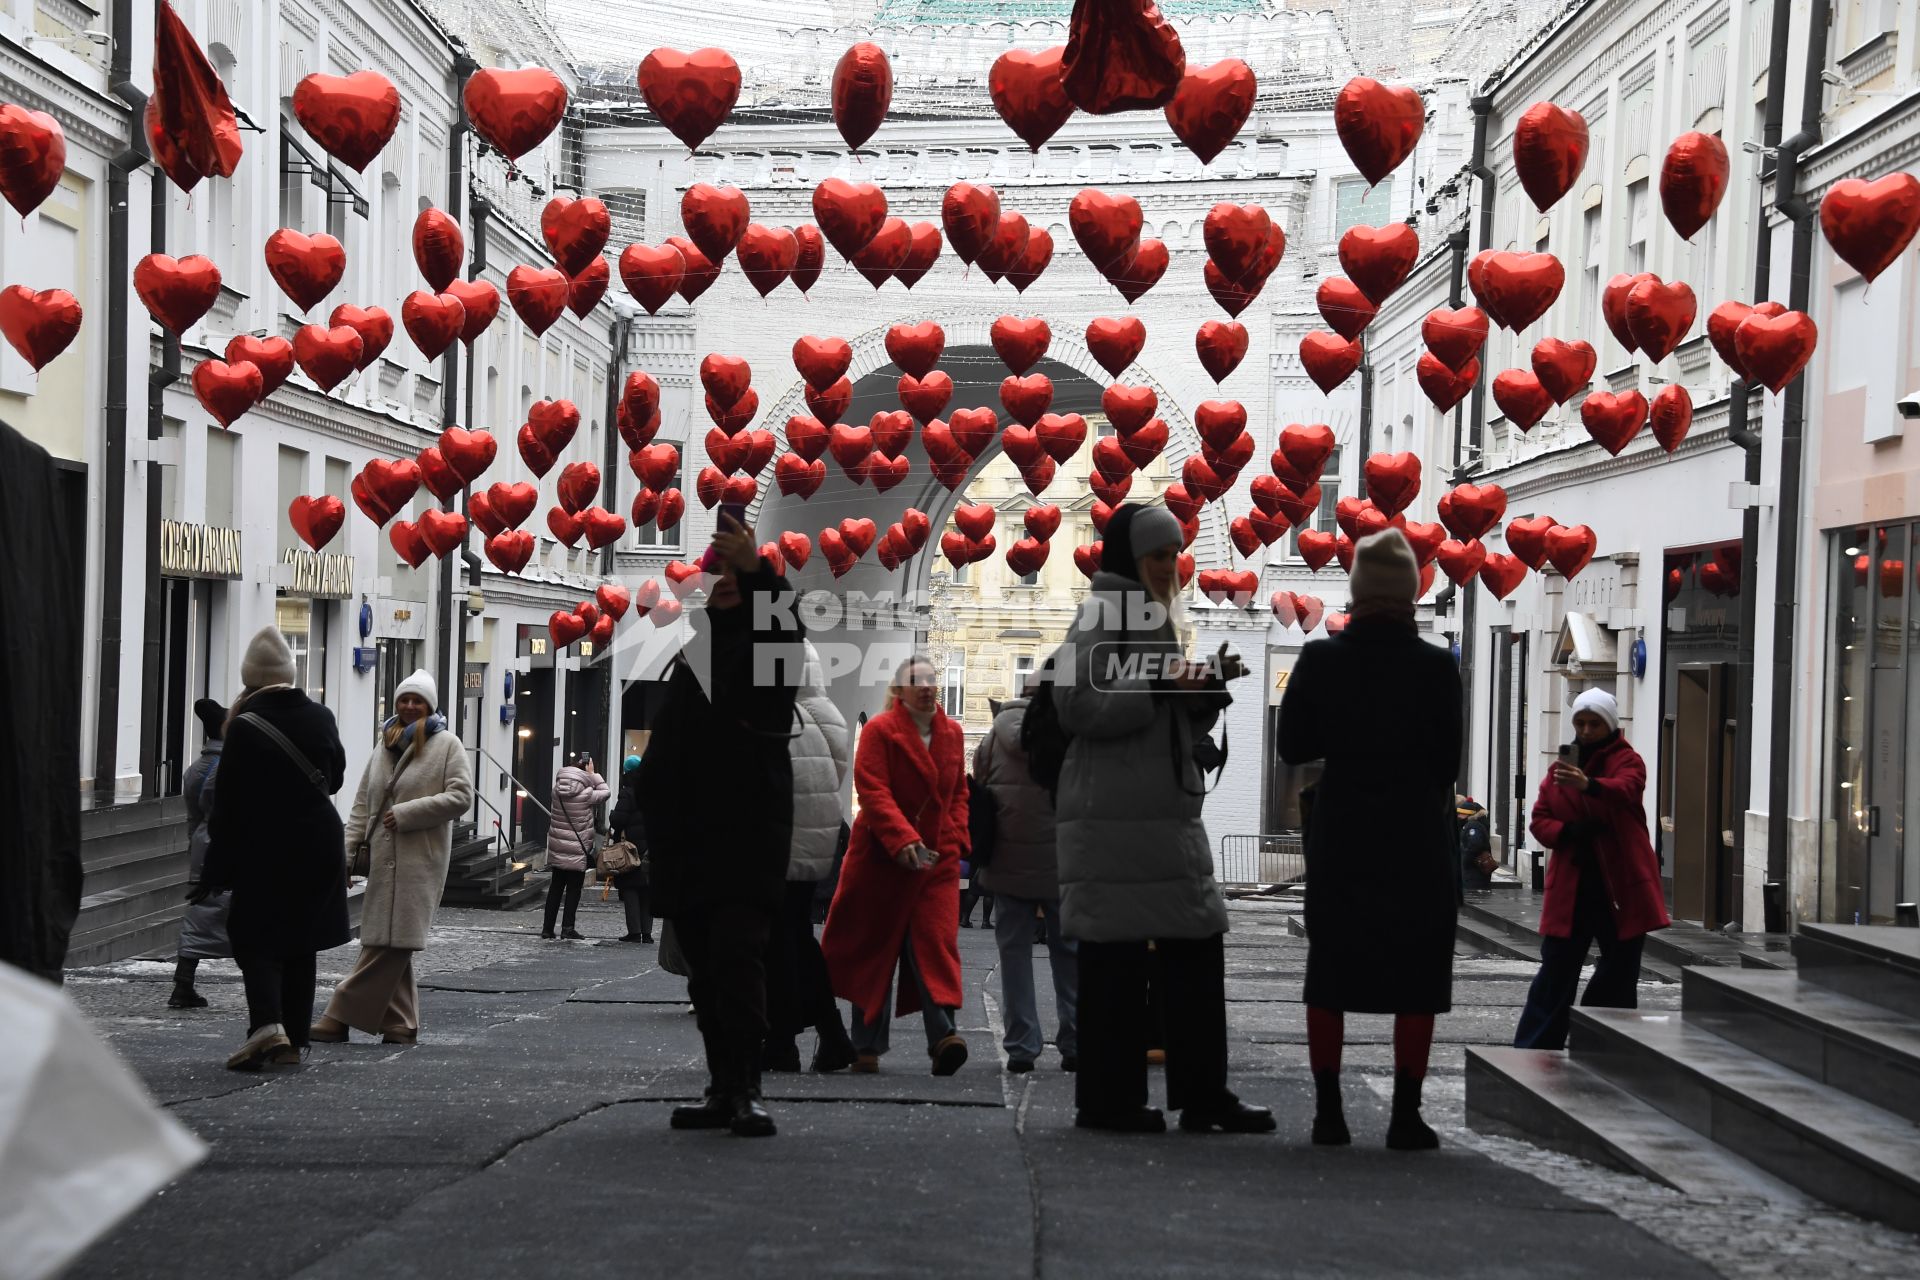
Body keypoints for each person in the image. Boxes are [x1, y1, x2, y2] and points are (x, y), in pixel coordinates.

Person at [1052, 504, 1271, 1134]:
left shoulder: (1145, 614)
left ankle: (1168, 1097)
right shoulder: (1106, 611)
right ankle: (1133, 1100)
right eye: (1156, 556)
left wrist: (1198, 692)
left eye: (1174, 556)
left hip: (1153, 813)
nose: (1168, 568)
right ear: (1130, 558)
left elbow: (1149, 708)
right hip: (1118, 819)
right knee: (1134, 959)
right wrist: (1166, 691)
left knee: (1167, 952)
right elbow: (1076, 702)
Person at [1278, 528, 1464, 1150]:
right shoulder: (1437, 667)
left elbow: (1293, 747)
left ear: (1357, 592)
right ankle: (1405, 1116)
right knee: (1418, 973)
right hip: (1416, 838)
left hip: (1344, 833)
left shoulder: (1322, 659)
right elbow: (1446, 765)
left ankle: (1329, 1112)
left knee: (1330, 969)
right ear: (1411, 594)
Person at [638, 511, 804, 1137]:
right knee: (706, 970)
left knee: (739, 959)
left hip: (747, 830)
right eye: (719, 573)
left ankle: (748, 1088)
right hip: (690, 836)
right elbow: (672, 738)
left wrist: (759, 571)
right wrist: (652, 797)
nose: (724, 581)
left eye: (737, 573)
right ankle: (721, 1085)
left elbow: (781, 633)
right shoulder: (698, 646)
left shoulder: (770, 646)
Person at [198, 627, 349, 1071]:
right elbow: (334, 779)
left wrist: (215, 869)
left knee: (254, 936)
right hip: (320, 841)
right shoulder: (320, 716)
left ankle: (267, 1026)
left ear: (250, 679)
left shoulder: (244, 725)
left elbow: (227, 805)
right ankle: (293, 1038)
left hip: (267, 844)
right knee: (303, 939)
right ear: (288, 673)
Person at [821, 655, 971, 1077]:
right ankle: (865, 1046)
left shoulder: (952, 733)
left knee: (935, 946)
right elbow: (872, 788)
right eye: (915, 680)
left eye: (930, 680)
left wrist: (955, 839)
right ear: (900, 690)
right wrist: (903, 839)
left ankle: (944, 1038)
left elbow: (958, 793)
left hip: (935, 861)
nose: (926, 686)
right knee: (875, 948)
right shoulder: (882, 731)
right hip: (881, 859)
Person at [311, 670, 473, 1046]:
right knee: (384, 941)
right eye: (404, 699)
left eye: (418, 700)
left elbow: (461, 796)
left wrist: (408, 813)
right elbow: (363, 805)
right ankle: (401, 1023)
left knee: (395, 942)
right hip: (382, 857)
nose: (410, 706)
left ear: (430, 705)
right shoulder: (384, 744)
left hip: (420, 860)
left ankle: (338, 1015)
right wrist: (348, 856)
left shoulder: (447, 744)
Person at [1513, 688, 1671, 1050]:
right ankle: (1536, 1045)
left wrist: (1590, 786)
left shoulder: (1628, 760)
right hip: (1573, 886)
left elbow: (1627, 789)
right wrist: (1567, 832)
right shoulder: (1559, 770)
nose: (1585, 730)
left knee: (1619, 971)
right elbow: (1540, 820)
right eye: (1580, 723)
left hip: (1620, 887)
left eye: (1594, 723)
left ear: (1609, 724)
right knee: (1555, 972)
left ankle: (1601, 1041)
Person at [974, 681, 1078, 1074]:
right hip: (1061, 862)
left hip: (1006, 860)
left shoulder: (994, 737)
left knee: (1014, 955)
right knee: (1068, 953)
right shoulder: (1070, 732)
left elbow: (981, 785)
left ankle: (1021, 1046)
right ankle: (1074, 1042)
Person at [763, 639, 857, 1073]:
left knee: (781, 942)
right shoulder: (828, 714)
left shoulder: (780, 715)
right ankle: (811, 1037)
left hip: (779, 837)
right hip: (812, 837)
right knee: (793, 937)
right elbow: (835, 773)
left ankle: (790, 1040)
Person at [170, 698, 231, 1009]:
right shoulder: (228, 766)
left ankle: (183, 983)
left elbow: (192, 817)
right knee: (240, 913)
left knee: (200, 913)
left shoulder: (195, 769)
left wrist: (193, 845)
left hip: (202, 845)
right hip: (225, 844)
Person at [543, 751, 610, 940]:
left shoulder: (556, 791)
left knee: (555, 887)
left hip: (558, 845)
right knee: (573, 889)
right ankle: (567, 928)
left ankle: (547, 929)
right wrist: (593, 774)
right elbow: (606, 792)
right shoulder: (586, 794)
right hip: (578, 849)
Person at [609, 755, 652, 943]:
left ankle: (634, 932)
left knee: (631, 889)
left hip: (630, 849)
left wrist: (611, 816)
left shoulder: (628, 793)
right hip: (649, 847)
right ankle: (647, 933)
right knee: (646, 890)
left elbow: (619, 819)